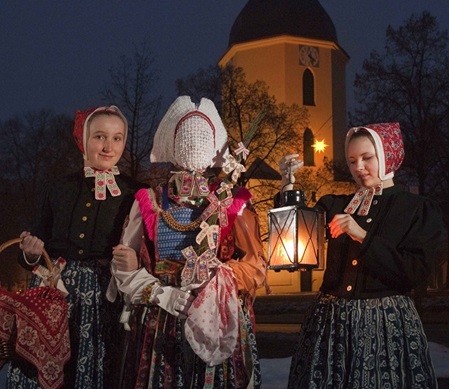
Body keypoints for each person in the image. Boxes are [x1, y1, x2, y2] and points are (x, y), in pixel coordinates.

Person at [108, 95, 267, 388]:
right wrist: (158, 293)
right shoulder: (150, 201)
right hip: (162, 320)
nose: (195, 144)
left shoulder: (233, 202)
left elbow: (256, 266)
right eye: (187, 136)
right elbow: (124, 265)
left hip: (216, 319)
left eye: (202, 137)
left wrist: (223, 280)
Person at [283, 123, 445, 388]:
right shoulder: (335, 204)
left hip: (385, 324)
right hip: (330, 325)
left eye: (367, 158)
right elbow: (295, 236)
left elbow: (412, 273)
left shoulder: (415, 210)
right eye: (352, 160)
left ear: (387, 156)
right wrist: (289, 187)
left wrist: (361, 235)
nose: (358, 167)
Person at [7, 105, 142, 388]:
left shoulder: (135, 193)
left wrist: (134, 264)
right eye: (100, 137)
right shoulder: (58, 187)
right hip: (53, 289)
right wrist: (30, 254)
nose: (109, 146)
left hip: (103, 297)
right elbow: (34, 246)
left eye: (117, 138)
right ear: (84, 139)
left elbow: (142, 249)